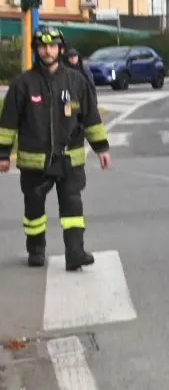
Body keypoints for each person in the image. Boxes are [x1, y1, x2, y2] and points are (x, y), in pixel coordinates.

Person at [0, 27, 112, 270]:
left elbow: (91, 118)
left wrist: (101, 148)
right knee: (34, 209)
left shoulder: (76, 82)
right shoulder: (22, 84)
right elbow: (8, 123)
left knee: (73, 206)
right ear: (36, 50)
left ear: (60, 49)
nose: (47, 50)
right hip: (34, 161)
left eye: (52, 46)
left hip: (69, 159)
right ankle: (36, 251)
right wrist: (3, 154)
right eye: (42, 46)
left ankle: (75, 253)